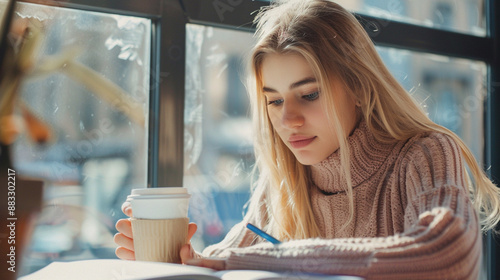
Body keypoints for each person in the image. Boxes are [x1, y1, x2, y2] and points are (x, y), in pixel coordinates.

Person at [114, 0, 500, 278]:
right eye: (275, 100)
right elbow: (227, 259)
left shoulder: (424, 153)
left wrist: (268, 260)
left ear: (360, 88)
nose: (288, 119)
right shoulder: (287, 178)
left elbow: (449, 256)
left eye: (309, 94)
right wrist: (175, 261)